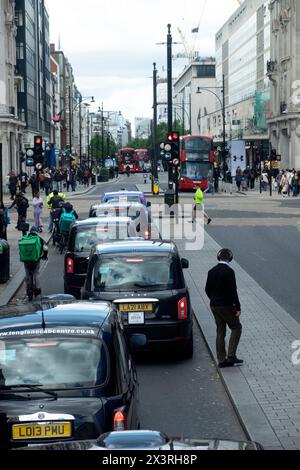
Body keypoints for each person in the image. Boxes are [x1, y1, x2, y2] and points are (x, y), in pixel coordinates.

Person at [205, 248, 243, 368]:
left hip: (214, 306)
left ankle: (221, 360)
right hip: (226, 306)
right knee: (236, 327)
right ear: (230, 258)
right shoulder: (229, 272)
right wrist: (238, 307)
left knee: (220, 330)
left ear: (218, 257)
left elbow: (207, 289)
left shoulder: (211, 271)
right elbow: (233, 291)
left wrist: (213, 299)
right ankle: (231, 356)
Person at [21, 226, 48, 299]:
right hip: (35, 260)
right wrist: (44, 256)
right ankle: (37, 289)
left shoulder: (25, 239)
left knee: (27, 273)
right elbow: (45, 248)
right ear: (36, 232)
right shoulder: (39, 239)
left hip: (26, 261)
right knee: (36, 273)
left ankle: (28, 288)